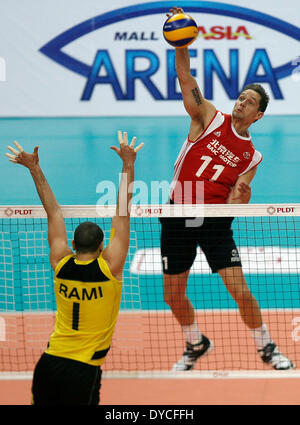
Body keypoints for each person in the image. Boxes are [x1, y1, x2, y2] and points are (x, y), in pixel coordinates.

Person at [160, 6, 295, 371]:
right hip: (176, 214)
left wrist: (241, 198)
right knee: (172, 295)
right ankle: (195, 341)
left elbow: (239, 195)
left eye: (250, 102)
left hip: (215, 224)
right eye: (241, 97)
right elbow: (186, 77)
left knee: (240, 291)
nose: (242, 102)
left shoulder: (253, 155)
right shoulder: (208, 116)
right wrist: (180, 43)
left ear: (258, 116)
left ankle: (266, 347)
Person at [5, 132, 143, 404]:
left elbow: (54, 212)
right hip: (83, 369)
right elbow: (122, 213)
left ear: (72, 245)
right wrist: (128, 165)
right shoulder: (109, 268)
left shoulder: (60, 262)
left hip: (49, 362)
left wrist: (34, 168)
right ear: (102, 246)